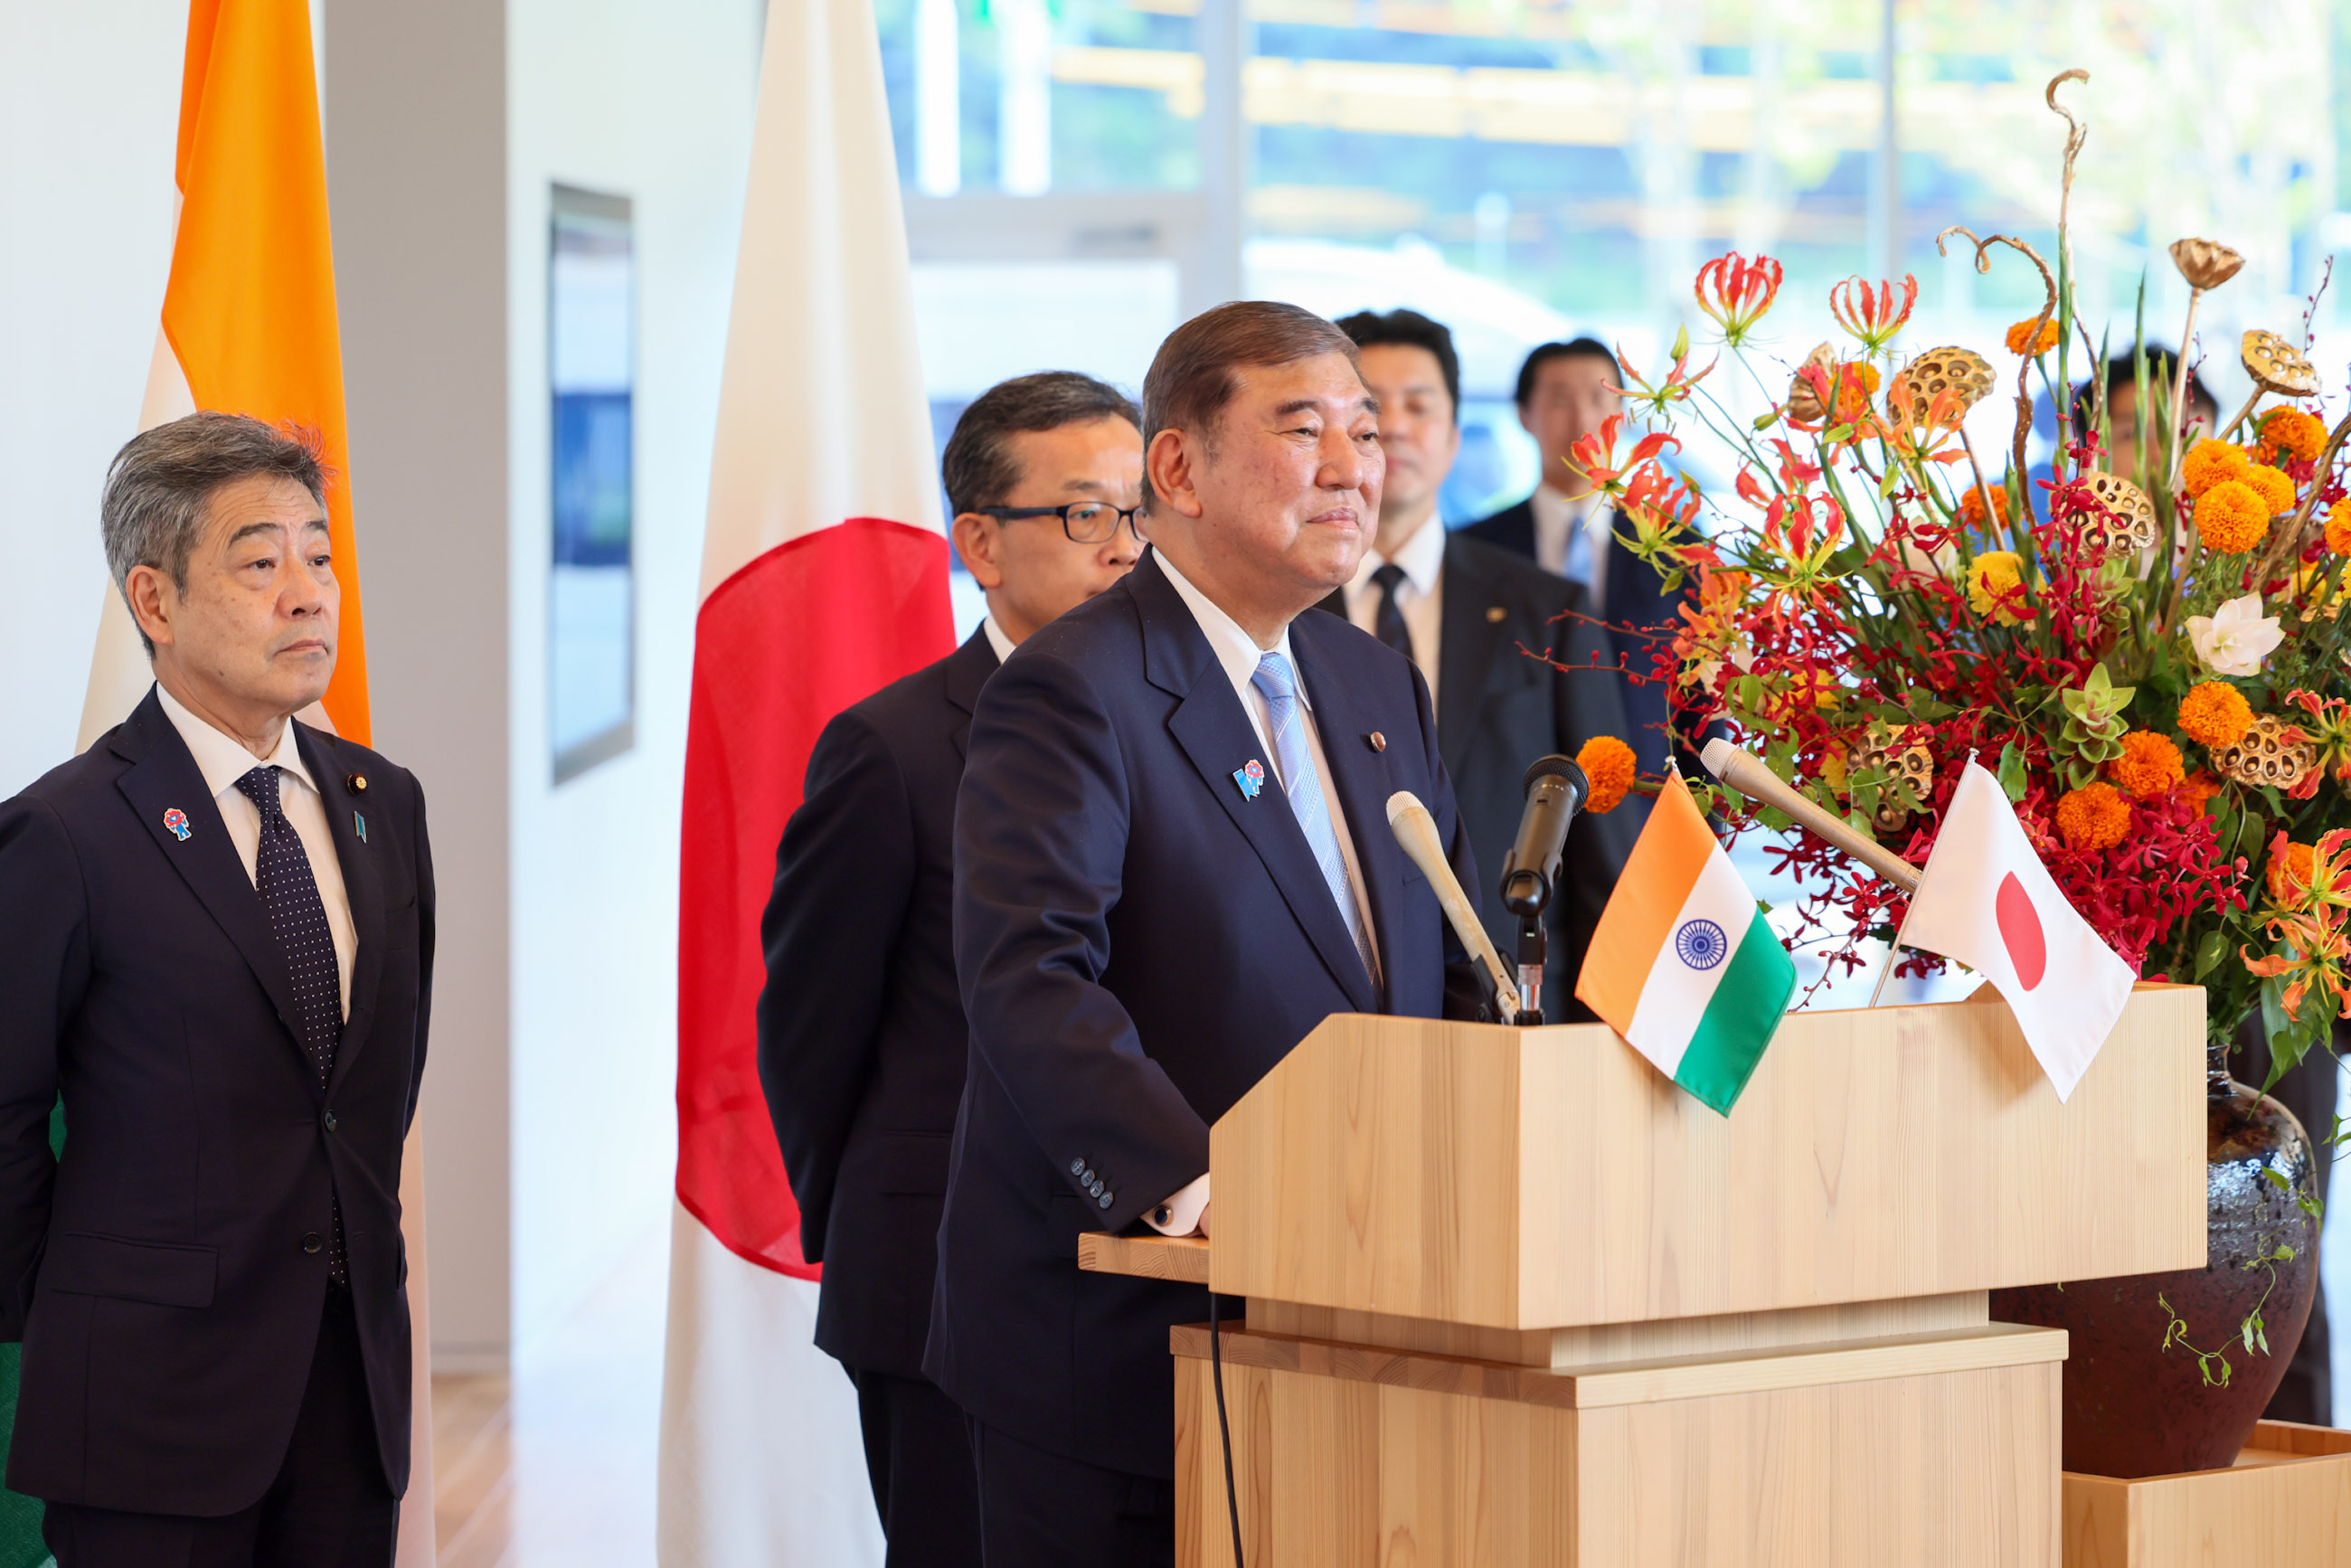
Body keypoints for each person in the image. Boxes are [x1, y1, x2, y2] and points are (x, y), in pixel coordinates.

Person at [926, 301, 1486, 1565]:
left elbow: (1446, 965)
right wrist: (1204, 1189)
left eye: (1366, 428)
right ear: (1176, 470)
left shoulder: (1369, 680)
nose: (1357, 463)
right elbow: (1029, 976)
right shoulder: (1072, 685)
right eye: (1305, 429)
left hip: (1358, 1315)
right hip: (1127, 1335)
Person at [0, 412, 434, 1566]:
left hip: (349, 1393)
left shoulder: (380, 803)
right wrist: (82, 1316)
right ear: (153, 600)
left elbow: (372, 1096)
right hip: (148, 1408)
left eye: (320, 555)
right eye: (260, 562)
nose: (308, 594)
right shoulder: (64, 832)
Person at [756, 371, 1145, 1565]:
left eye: (1142, 513)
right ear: (980, 541)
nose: (1126, 549)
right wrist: (877, 1214)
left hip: (1148, 1275)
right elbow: (811, 1030)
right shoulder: (892, 746)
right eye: (1085, 515)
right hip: (937, 1279)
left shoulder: (1182, 723)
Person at [1324, 308, 1638, 1015]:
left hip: (1515, 1003)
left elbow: (1602, 845)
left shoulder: (1550, 612)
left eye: (1419, 405)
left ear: (1455, 434)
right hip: (1330, 1014)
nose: (1395, 426)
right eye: (1370, 407)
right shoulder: (1283, 617)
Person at [1465, 338, 1685, 778]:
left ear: (1622, 413)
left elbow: (1701, 704)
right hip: (1515, 796)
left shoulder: (1676, 549)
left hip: (1648, 800)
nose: (1583, 419)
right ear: (1524, 415)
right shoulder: (1474, 552)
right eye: (1559, 400)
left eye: (1599, 397)